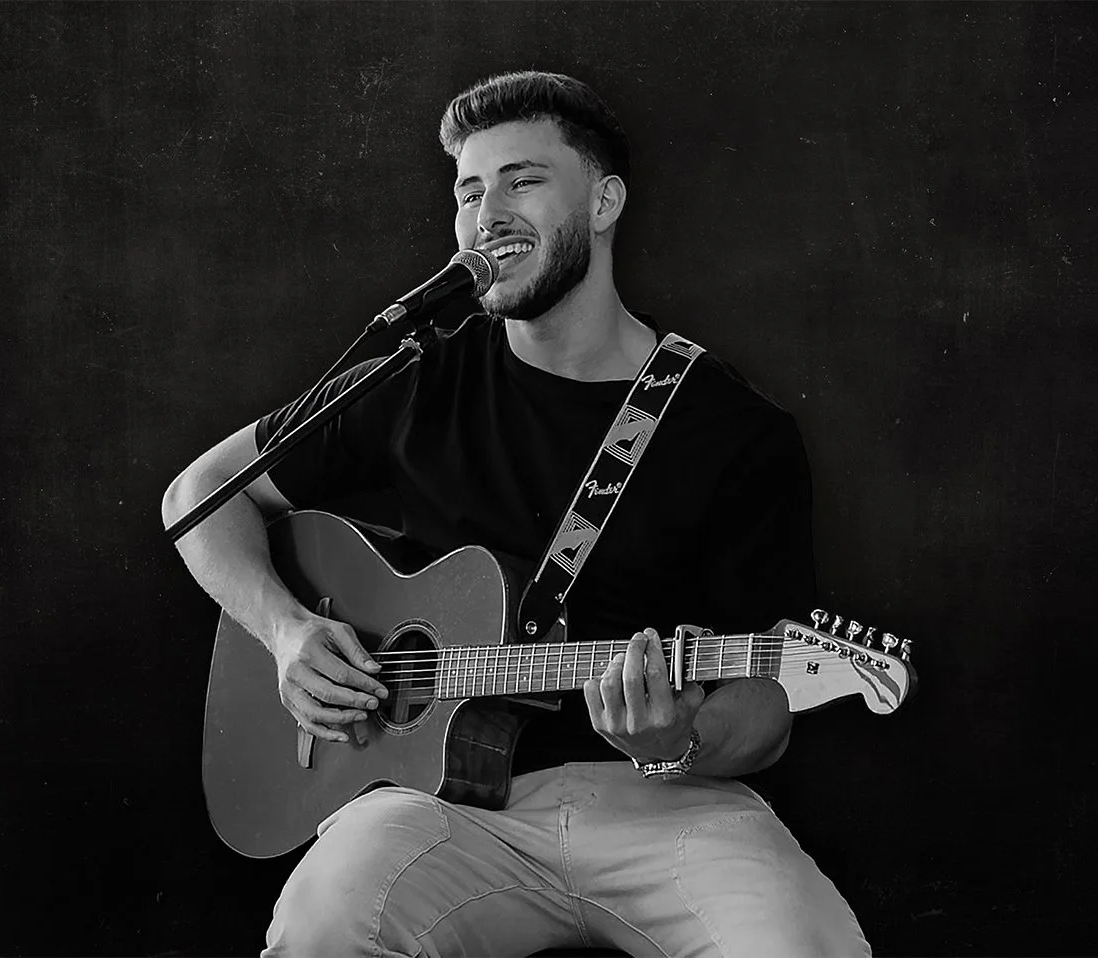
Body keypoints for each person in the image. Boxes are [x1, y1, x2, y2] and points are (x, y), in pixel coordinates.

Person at [163, 70, 869, 958]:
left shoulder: (732, 430)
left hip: (669, 803)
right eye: (468, 191)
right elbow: (198, 497)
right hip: (444, 809)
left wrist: (680, 735)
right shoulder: (418, 374)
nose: (486, 213)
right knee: (320, 925)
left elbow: (767, 702)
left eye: (523, 181)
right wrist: (288, 631)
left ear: (604, 201)